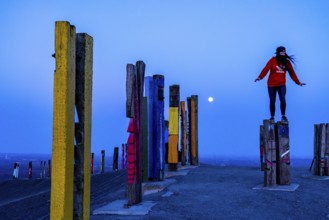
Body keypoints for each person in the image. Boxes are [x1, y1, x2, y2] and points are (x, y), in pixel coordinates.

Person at [255, 46, 306, 122]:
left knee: (282, 98)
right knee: (272, 100)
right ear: (278, 53)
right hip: (271, 84)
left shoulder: (287, 62)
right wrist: (260, 77)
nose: (283, 53)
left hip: (281, 84)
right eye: (281, 52)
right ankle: (272, 117)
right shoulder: (272, 60)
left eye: (284, 52)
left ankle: (283, 116)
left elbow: (292, 73)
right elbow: (265, 69)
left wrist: (298, 82)